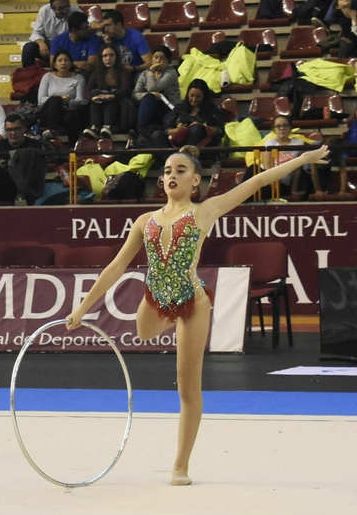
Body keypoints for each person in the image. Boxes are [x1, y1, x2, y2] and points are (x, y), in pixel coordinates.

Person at [67, 143, 331, 485]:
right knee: (144, 333)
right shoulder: (145, 222)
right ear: (160, 181)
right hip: (155, 298)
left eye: (181, 170)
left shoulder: (203, 212)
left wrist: (302, 159)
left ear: (195, 182)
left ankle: (180, 465)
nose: (172, 175)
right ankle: (165, 317)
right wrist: (82, 309)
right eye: (167, 171)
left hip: (193, 302)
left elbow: (256, 183)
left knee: (188, 388)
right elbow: (116, 266)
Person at [85, 45, 134, 137]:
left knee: (110, 96)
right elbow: (87, 90)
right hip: (100, 104)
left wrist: (113, 96)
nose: (108, 59)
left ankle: (107, 126)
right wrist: (92, 98)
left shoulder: (123, 71)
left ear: (116, 57)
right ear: (101, 58)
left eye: (111, 55)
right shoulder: (97, 72)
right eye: (105, 56)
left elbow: (125, 89)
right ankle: (95, 127)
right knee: (96, 95)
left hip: (116, 103)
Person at [38, 51, 89, 137]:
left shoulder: (78, 79)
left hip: (69, 110)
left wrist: (68, 101)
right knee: (56, 99)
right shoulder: (48, 77)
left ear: (70, 64)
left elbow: (81, 100)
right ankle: (52, 129)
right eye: (60, 60)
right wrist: (59, 99)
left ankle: (73, 147)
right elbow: (41, 99)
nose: (63, 63)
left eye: (66, 60)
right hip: (49, 112)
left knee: (71, 117)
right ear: (54, 64)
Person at [164, 80, 226, 149]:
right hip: (179, 142)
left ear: (204, 96)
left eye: (198, 97)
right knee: (156, 135)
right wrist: (177, 130)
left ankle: (188, 156)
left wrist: (203, 127)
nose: (194, 99)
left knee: (196, 129)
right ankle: (171, 158)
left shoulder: (213, 110)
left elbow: (221, 131)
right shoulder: (179, 108)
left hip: (203, 146)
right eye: (192, 96)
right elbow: (166, 129)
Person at [24, 0, 77, 68]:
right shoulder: (44, 11)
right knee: (28, 48)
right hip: (49, 46)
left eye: (67, 7)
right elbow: (36, 32)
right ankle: (27, 75)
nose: (65, 10)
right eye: (60, 8)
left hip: (67, 46)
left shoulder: (75, 10)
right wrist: (41, 43)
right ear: (52, 8)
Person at [134, 45, 181, 130]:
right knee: (149, 97)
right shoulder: (144, 74)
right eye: (156, 57)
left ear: (168, 61)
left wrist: (152, 70)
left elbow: (153, 88)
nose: (158, 61)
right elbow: (134, 95)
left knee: (150, 95)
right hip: (152, 108)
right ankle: (141, 129)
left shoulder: (171, 73)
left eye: (162, 58)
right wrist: (145, 94)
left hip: (170, 107)